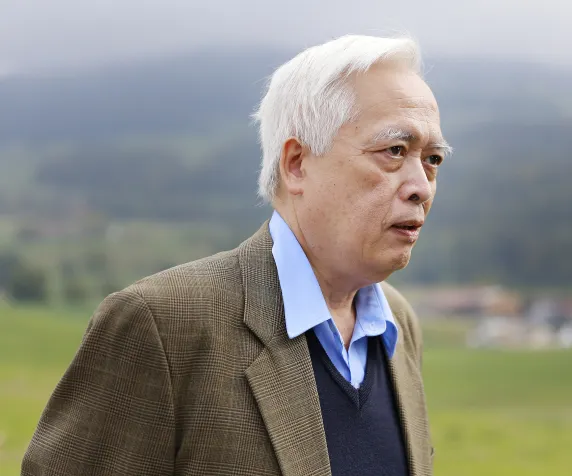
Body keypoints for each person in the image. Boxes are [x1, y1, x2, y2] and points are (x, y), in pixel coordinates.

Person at [22, 34, 450, 476]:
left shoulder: (397, 325)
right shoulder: (162, 325)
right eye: (394, 151)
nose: (421, 186)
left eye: (433, 159)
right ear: (297, 163)